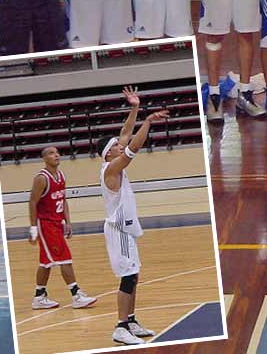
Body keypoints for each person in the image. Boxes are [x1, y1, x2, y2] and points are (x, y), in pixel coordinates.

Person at [96, 86, 169, 345]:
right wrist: (148, 121)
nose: (120, 144)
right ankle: (120, 327)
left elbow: (126, 133)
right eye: (116, 145)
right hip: (118, 230)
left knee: (134, 274)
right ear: (108, 153)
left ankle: (132, 320)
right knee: (127, 277)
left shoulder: (112, 161)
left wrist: (135, 107)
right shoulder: (112, 168)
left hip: (125, 229)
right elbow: (134, 144)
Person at [28, 146, 97, 310]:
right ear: (44, 159)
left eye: (57, 152)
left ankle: (39, 297)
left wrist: (67, 221)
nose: (56, 155)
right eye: (51, 153)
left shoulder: (61, 176)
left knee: (46, 262)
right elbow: (32, 202)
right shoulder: (41, 178)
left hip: (57, 223)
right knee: (65, 258)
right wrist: (33, 228)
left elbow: (63, 199)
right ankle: (76, 294)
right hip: (45, 224)